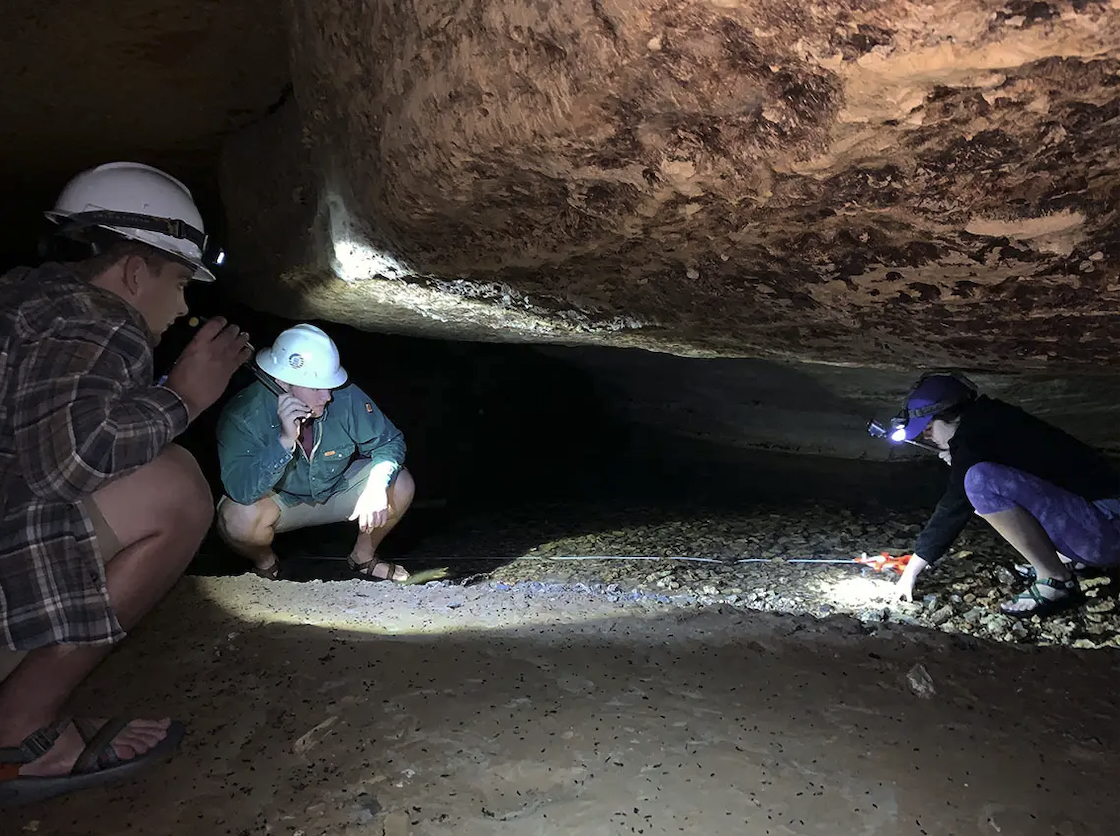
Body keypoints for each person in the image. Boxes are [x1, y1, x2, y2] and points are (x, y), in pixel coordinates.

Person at [0, 162, 251, 805]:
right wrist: (185, 399)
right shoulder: (98, 318)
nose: (184, 306)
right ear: (136, 271)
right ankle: (19, 733)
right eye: (180, 283)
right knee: (174, 486)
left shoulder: (26, 301)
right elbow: (71, 461)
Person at [884, 373, 1120, 618]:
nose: (926, 437)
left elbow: (954, 505)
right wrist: (959, 459)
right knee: (982, 490)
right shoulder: (994, 420)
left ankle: (1055, 579)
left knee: (978, 481)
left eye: (929, 428)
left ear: (949, 415)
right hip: (1104, 525)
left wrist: (911, 571)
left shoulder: (973, 438)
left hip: (1106, 533)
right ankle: (1069, 560)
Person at [215, 324, 415, 582]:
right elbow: (241, 491)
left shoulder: (345, 397)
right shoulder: (242, 415)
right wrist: (285, 441)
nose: (328, 397)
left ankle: (363, 557)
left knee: (400, 483)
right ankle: (266, 563)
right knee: (237, 518)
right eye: (316, 388)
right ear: (282, 383)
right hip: (279, 501)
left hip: (336, 490)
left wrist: (377, 485)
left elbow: (389, 442)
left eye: (329, 386)